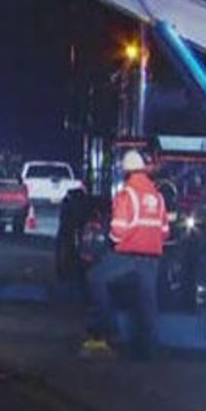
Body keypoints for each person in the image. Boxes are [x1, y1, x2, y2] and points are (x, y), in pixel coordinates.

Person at [81, 149, 169, 359]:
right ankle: (149, 350)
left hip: (128, 254)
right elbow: (165, 231)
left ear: (126, 171)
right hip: (152, 257)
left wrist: (112, 243)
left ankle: (103, 332)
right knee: (148, 301)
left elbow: (118, 230)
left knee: (95, 278)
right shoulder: (157, 196)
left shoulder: (126, 194)